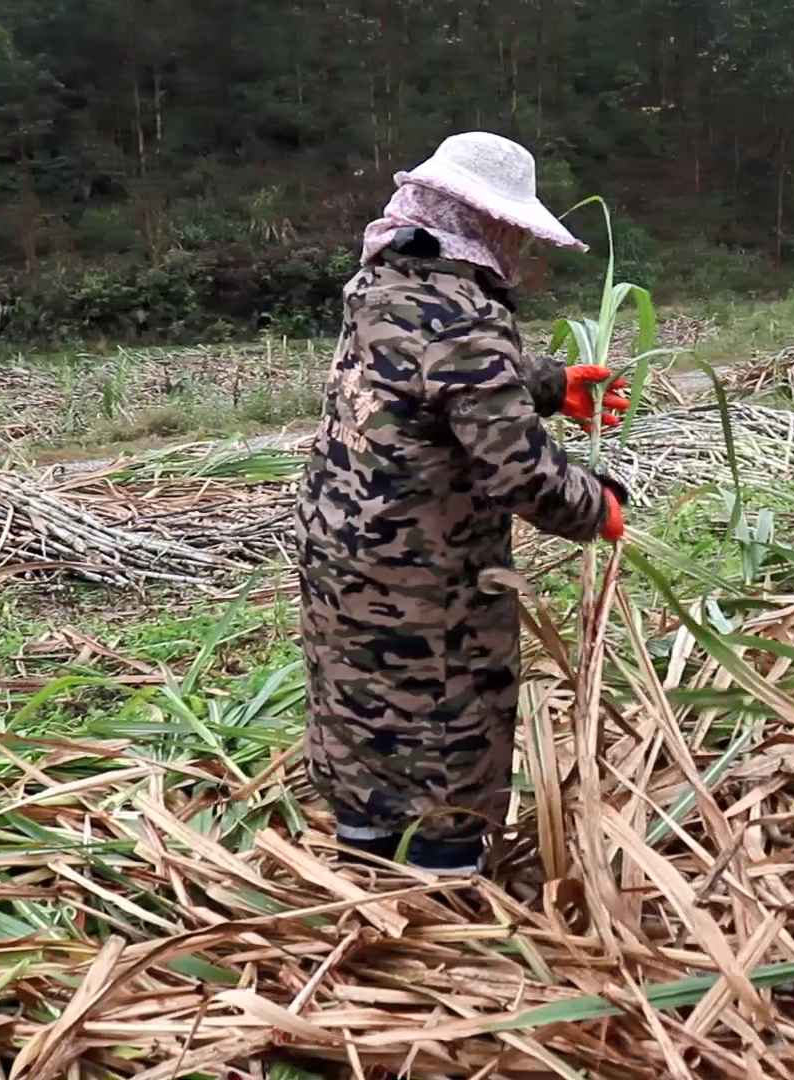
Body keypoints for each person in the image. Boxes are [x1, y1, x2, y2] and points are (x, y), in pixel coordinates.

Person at [295, 132, 631, 877]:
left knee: (363, 715)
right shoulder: (463, 319)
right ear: (480, 225)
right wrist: (596, 506)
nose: (516, 242)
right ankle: (443, 893)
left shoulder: (381, 286)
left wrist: (550, 383)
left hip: (339, 548)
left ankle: (368, 869)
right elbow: (519, 472)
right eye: (509, 227)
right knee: (447, 727)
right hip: (424, 571)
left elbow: (437, 374)